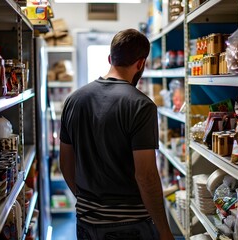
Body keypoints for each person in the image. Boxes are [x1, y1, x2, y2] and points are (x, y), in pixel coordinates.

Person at [59, 28, 174, 240]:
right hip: (130, 224)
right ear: (141, 64)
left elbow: (65, 164)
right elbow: (146, 176)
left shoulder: (73, 101)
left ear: (110, 58)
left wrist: (88, 204)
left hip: (85, 221)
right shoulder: (141, 106)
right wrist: (165, 230)